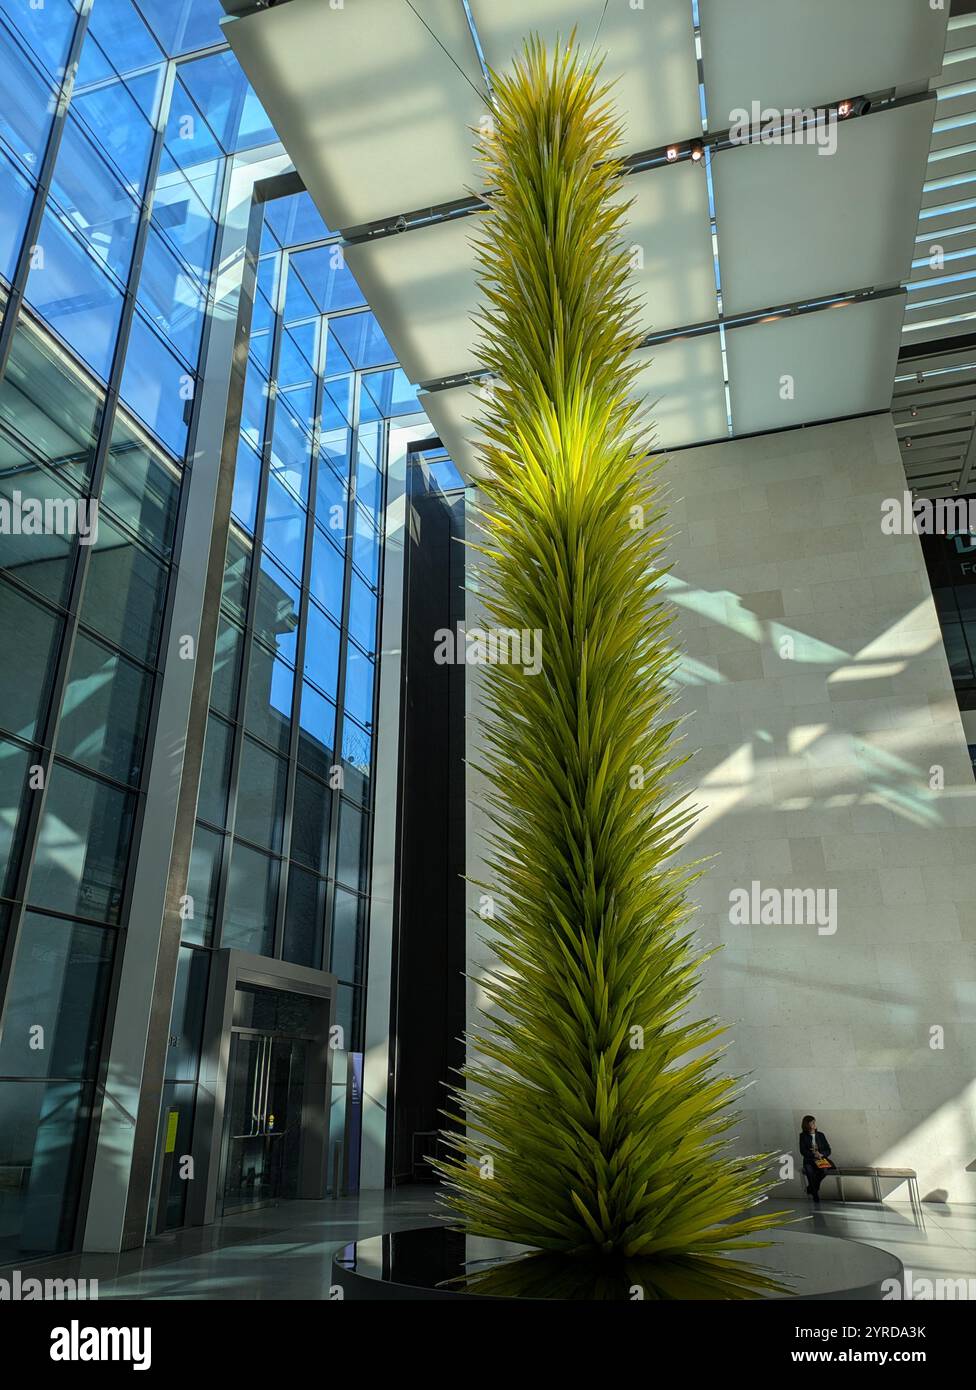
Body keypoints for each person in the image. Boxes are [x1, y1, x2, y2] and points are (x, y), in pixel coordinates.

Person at [799, 1115, 835, 1202]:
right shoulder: (803, 1136)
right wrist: (814, 1155)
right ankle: (815, 1195)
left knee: (824, 1170)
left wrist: (821, 1154)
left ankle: (811, 1188)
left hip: (821, 1159)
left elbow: (828, 1150)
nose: (815, 1124)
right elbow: (803, 1151)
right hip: (809, 1160)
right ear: (807, 1125)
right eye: (812, 1123)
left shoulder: (821, 1135)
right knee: (809, 1171)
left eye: (814, 1122)